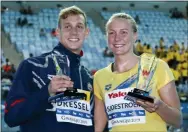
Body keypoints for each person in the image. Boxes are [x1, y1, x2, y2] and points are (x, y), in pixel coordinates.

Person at [4, 6, 94, 132]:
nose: (74, 32)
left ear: (86, 32)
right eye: (67, 26)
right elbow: (11, 116)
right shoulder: (33, 66)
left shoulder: (88, 79)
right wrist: (47, 92)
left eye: (79, 26)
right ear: (57, 32)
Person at [94, 13, 182, 132]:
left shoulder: (157, 67)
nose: (117, 38)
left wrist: (160, 107)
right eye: (111, 33)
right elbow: (98, 127)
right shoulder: (100, 77)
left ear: (135, 35)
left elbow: (177, 120)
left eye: (123, 32)